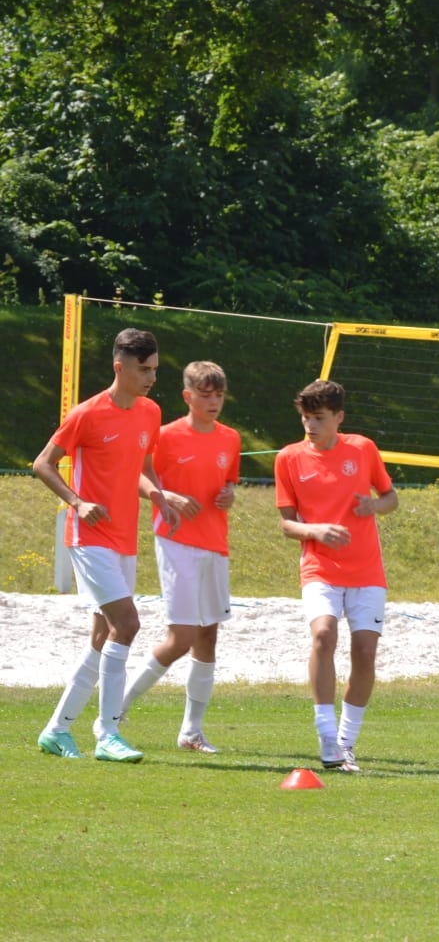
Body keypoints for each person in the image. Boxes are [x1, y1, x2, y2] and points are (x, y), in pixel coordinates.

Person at [32, 327, 180, 762]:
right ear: (120, 367)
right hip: (89, 537)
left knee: (103, 635)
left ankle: (57, 730)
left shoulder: (150, 412)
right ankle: (109, 733)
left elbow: (140, 471)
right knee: (127, 624)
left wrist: (159, 496)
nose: (152, 377)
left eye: (155, 369)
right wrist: (77, 503)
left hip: (123, 538)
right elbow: (43, 464)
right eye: (144, 369)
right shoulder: (87, 413)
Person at [104, 361, 240, 753]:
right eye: (205, 395)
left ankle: (191, 732)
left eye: (219, 395)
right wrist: (168, 497)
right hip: (176, 541)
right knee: (181, 638)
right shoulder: (164, 435)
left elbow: (229, 481)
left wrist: (229, 494)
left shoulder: (230, 438)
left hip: (215, 543)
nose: (213, 402)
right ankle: (114, 712)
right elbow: (137, 475)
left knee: (208, 636)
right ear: (187, 396)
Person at [274, 379, 398, 772]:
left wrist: (373, 506)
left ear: (339, 417)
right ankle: (326, 733)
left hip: (367, 570)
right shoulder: (289, 458)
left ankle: (346, 743)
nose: (310, 425)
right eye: (306, 418)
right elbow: (287, 524)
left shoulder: (362, 449)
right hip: (319, 567)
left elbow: (391, 498)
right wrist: (316, 531)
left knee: (364, 652)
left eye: (319, 418)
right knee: (324, 635)